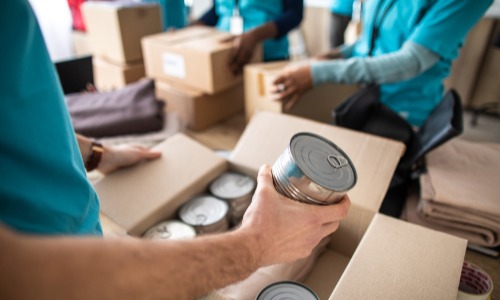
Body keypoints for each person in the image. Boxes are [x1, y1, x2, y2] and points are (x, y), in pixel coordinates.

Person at [0, 1, 350, 299]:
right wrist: (254, 246)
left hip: (86, 238)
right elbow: (31, 278)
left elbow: (16, 115)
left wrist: (94, 153)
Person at [271, 0, 493, 128]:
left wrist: (316, 74)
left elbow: (412, 60)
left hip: (402, 110)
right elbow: (372, 39)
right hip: (363, 94)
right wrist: (337, 54)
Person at [194, 0, 304, 75]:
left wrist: (255, 36)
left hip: (268, 58)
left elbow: (295, 14)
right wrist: (191, 27)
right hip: (225, 56)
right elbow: (218, 11)